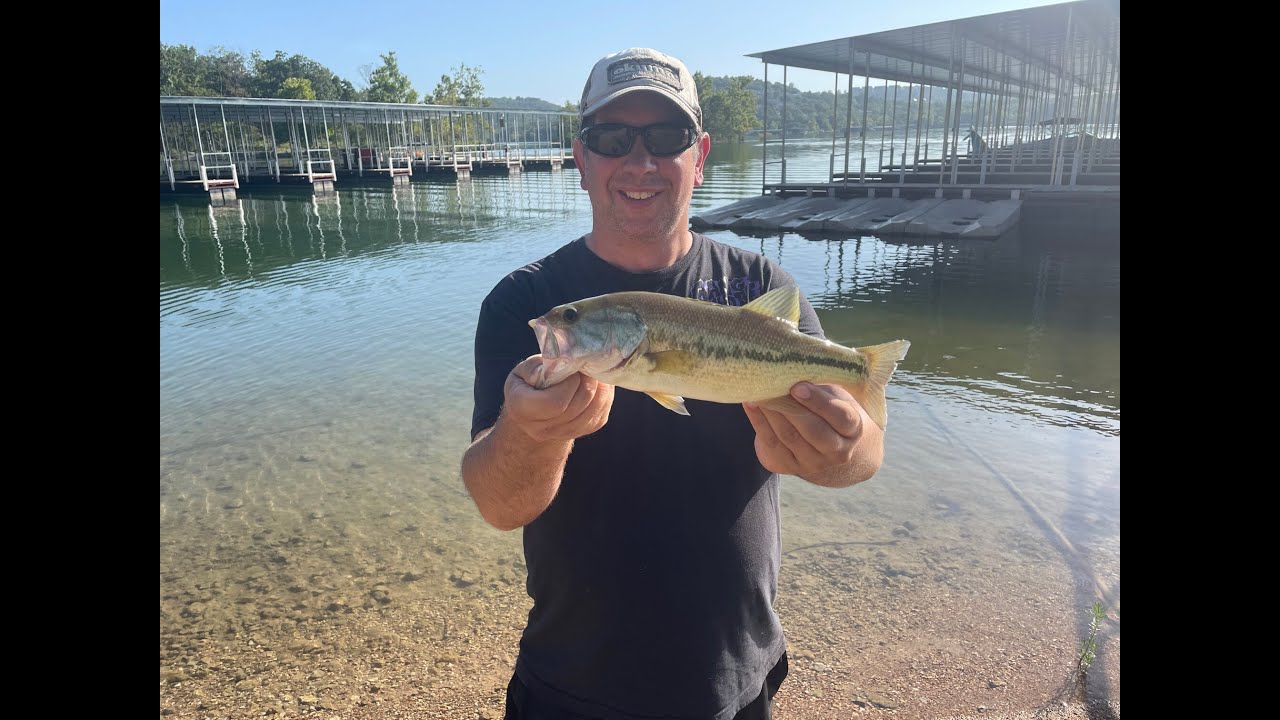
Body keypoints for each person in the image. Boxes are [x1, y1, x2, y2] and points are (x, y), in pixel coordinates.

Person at [461, 47, 887, 720]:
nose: (639, 162)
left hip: (733, 680)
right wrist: (528, 432)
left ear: (700, 154)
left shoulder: (762, 287)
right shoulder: (527, 302)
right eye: (610, 138)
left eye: (666, 137)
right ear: (581, 158)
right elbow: (496, 504)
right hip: (571, 682)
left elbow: (864, 457)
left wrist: (843, 446)